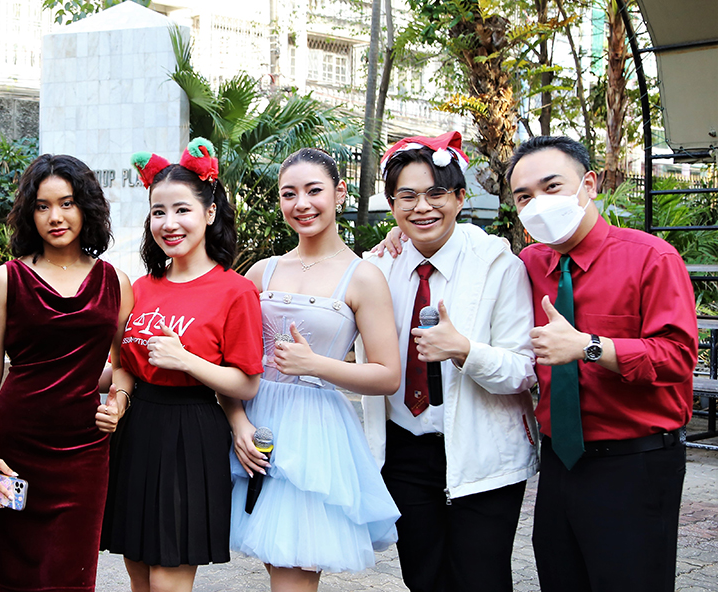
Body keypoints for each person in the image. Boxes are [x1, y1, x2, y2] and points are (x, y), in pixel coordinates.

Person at [508, 136, 697, 592]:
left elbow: (677, 356)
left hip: (635, 463)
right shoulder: (528, 263)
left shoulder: (650, 257)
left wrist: (589, 346)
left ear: (588, 184)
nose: (538, 203)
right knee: (560, 576)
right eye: (524, 196)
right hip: (560, 461)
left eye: (552, 186)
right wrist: (400, 238)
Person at [363, 132, 538, 592]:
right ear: (392, 204)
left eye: (436, 193)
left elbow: (524, 370)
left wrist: (465, 350)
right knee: (423, 576)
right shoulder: (378, 268)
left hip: (482, 449)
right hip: (403, 450)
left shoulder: (498, 264)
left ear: (460, 198)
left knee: (482, 578)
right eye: (408, 196)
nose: (422, 207)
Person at [222, 147, 401, 590]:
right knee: (273, 560)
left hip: (312, 433)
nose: (301, 204)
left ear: (339, 193)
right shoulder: (261, 272)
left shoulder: (363, 276)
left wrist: (316, 365)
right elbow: (229, 359)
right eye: (289, 194)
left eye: (314, 190)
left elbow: (387, 375)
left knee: (294, 571)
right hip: (254, 425)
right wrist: (238, 422)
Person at [0, 154, 134, 591]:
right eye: (42, 206)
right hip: (14, 447)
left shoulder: (115, 282)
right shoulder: (6, 279)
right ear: (29, 213)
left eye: (67, 203)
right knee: (16, 573)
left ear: (86, 207)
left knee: (70, 574)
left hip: (84, 451)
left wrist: (118, 402)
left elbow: (122, 366)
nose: (55, 217)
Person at [100, 139, 263, 592]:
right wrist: (111, 395)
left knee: (168, 576)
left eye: (182, 210)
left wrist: (185, 360)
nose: (168, 223)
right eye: (158, 212)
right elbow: (123, 362)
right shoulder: (140, 287)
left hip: (191, 432)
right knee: (137, 571)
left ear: (209, 213)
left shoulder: (235, 290)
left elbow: (246, 383)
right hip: (136, 429)